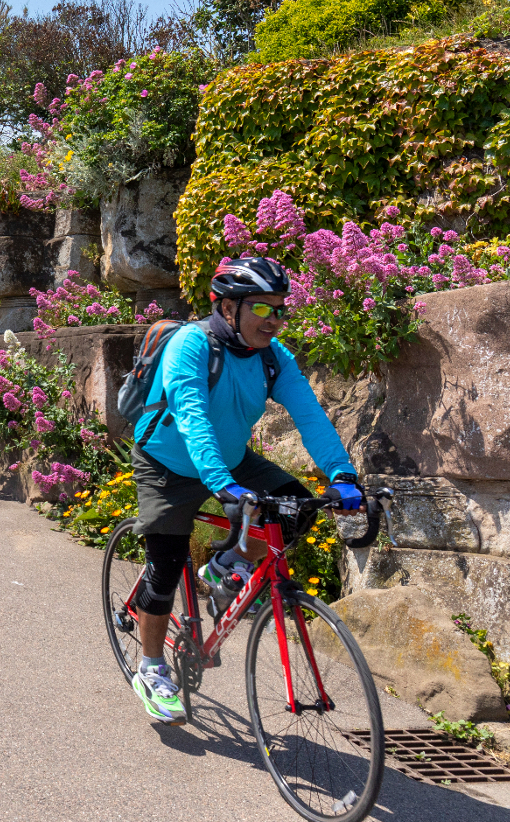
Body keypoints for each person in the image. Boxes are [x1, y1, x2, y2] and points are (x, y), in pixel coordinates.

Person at [128, 257, 364, 725]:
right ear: (228, 306)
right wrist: (223, 486)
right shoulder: (191, 345)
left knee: (296, 508)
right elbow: (192, 416)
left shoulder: (275, 357)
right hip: (167, 463)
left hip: (231, 459)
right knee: (165, 569)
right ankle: (151, 668)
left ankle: (224, 565)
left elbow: (310, 416)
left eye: (280, 309)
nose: (273, 320)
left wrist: (342, 474)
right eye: (262, 308)